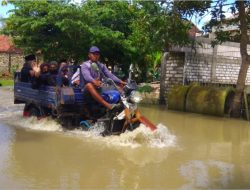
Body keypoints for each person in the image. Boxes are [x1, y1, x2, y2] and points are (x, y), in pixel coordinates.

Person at [79, 46, 126, 111]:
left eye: (97, 54)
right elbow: (87, 76)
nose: (96, 56)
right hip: (86, 90)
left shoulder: (101, 65)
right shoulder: (85, 65)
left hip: (98, 88)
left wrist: (121, 81)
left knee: (118, 90)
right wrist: (94, 81)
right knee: (89, 85)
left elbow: (109, 75)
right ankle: (108, 106)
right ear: (89, 55)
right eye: (94, 54)